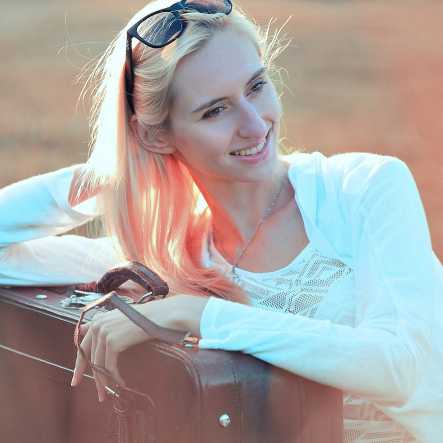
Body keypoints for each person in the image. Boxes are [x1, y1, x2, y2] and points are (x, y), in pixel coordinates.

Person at [0, 1, 442, 442]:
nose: (254, 124)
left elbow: (400, 368)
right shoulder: (169, 255)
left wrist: (199, 314)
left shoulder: (362, 189)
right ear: (156, 134)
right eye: (215, 110)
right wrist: (119, 169)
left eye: (256, 86)